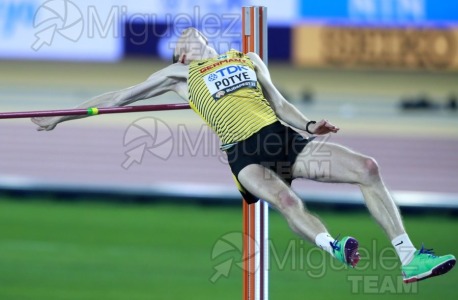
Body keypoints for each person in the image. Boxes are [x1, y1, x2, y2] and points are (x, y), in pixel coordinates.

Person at [32, 27, 455, 283]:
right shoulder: (179, 75)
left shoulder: (247, 59)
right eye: (183, 39)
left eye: (194, 32)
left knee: (368, 168)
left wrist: (309, 126)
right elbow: (118, 98)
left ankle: (409, 258)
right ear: (180, 54)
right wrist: (61, 117)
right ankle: (333, 245)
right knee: (287, 200)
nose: (191, 35)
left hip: (284, 137)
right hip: (244, 154)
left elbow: (281, 104)